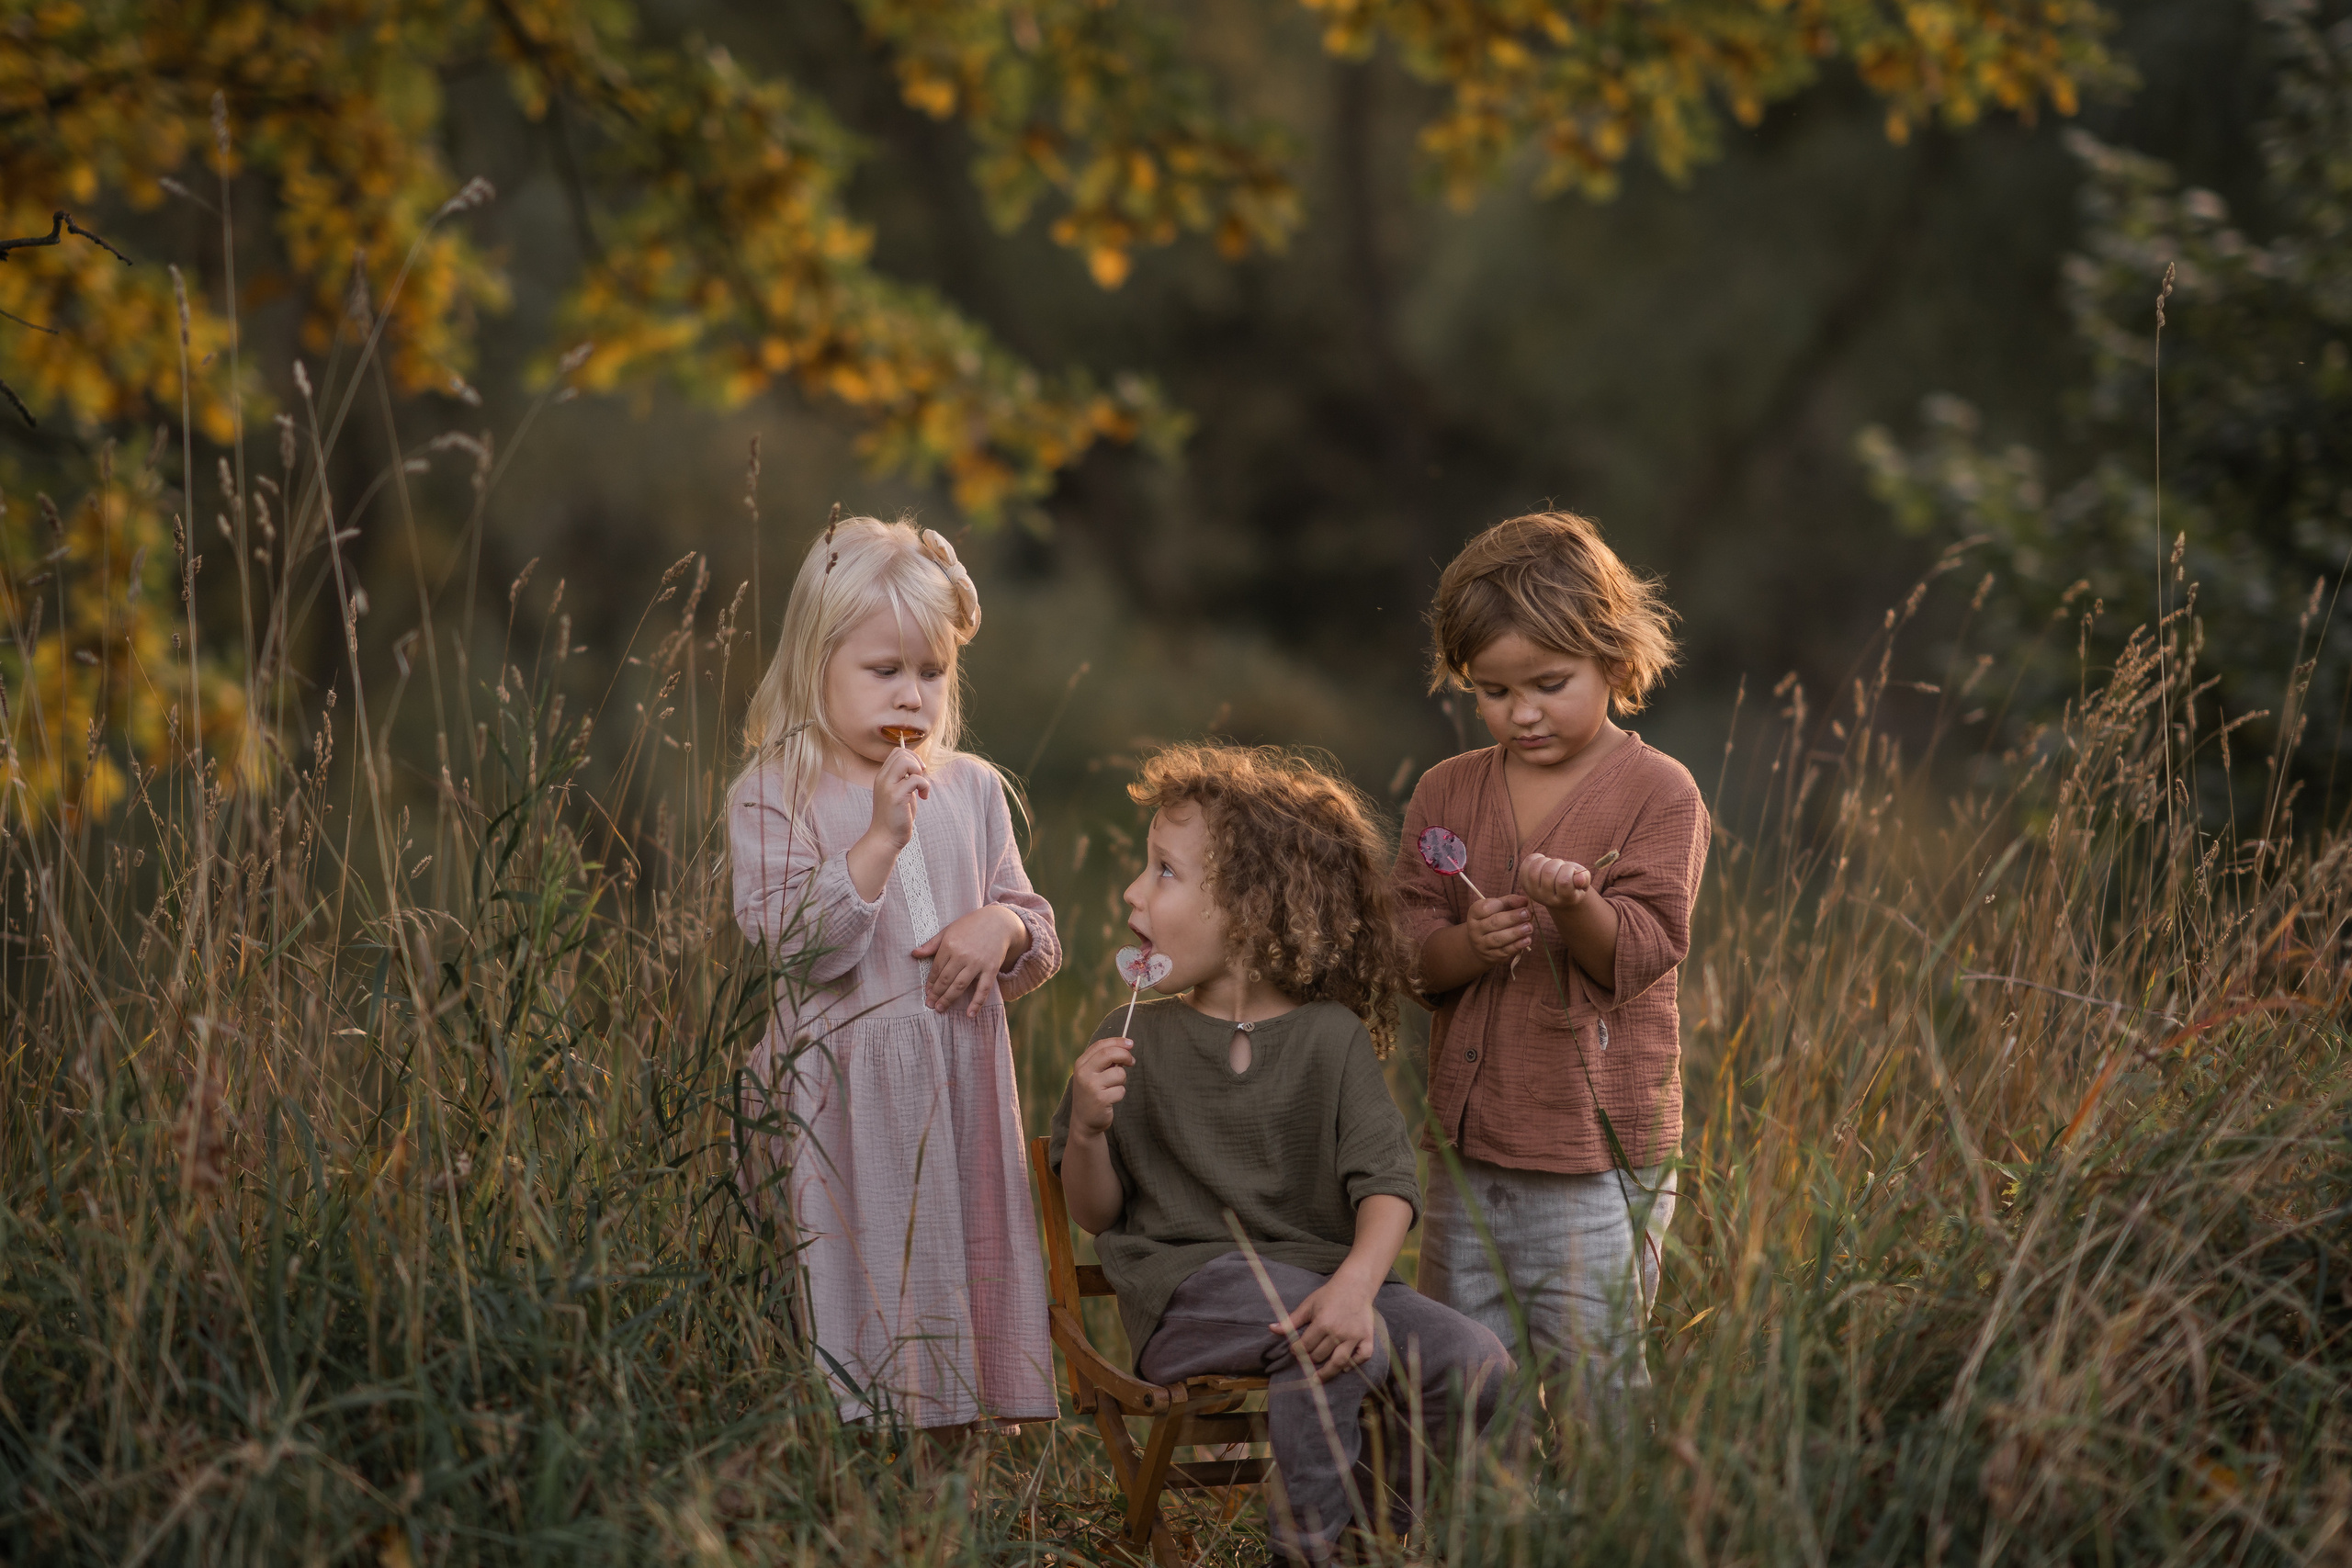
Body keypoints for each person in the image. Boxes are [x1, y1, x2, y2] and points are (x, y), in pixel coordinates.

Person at [1051, 744, 1512, 1562]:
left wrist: (1355, 1285)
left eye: (1164, 871)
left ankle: (1371, 1537)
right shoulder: (1135, 1039)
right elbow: (1097, 1212)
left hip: (1330, 1284)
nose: (1132, 891)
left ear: (1252, 908)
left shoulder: (1327, 1038)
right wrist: (1087, 1129)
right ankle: (1303, 1550)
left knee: (1472, 1356)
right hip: (1189, 1299)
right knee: (1323, 1335)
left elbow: (1388, 1184)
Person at [729, 515, 1059, 1433]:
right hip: (845, 1095)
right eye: (884, 672)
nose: (910, 696)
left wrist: (999, 927)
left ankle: (957, 1479)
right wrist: (877, 840)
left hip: (957, 1086)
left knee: (961, 1271)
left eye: (931, 671)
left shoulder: (971, 787)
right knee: (863, 1278)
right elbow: (801, 947)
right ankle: (856, 1477)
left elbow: (1037, 931)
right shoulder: (777, 788)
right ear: (814, 662)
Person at [1394, 510, 1708, 1420]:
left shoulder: (1658, 792)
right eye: (1490, 690)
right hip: (1467, 1150)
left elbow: (1646, 947)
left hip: (1591, 1154)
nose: (1519, 712)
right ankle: (1474, 1523)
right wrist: (1465, 945)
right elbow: (1412, 946)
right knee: (1458, 1370)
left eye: (1547, 683)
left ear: (1614, 660)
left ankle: (1595, 1524)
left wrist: (1576, 906)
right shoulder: (1446, 790)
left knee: (1593, 1374)